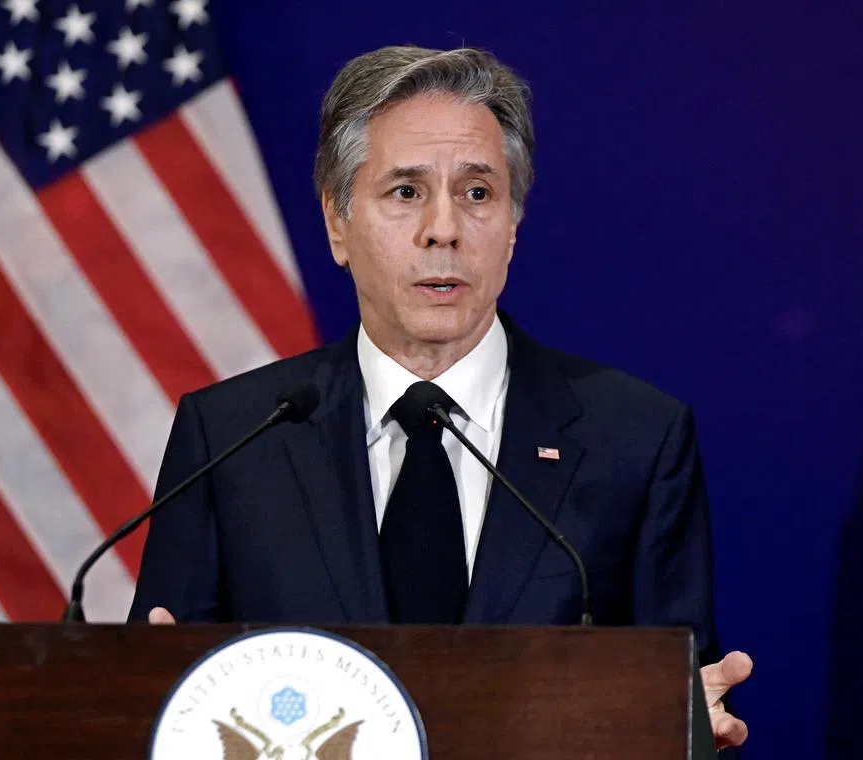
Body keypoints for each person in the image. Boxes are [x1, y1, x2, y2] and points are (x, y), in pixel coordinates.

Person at [129, 45, 751, 750]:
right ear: (338, 221)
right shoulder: (233, 438)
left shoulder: (635, 440)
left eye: (478, 193)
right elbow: (161, 703)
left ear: (513, 224)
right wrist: (146, 691)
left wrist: (687, 728)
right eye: (405, 192)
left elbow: (677, 705)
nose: (445, 229)